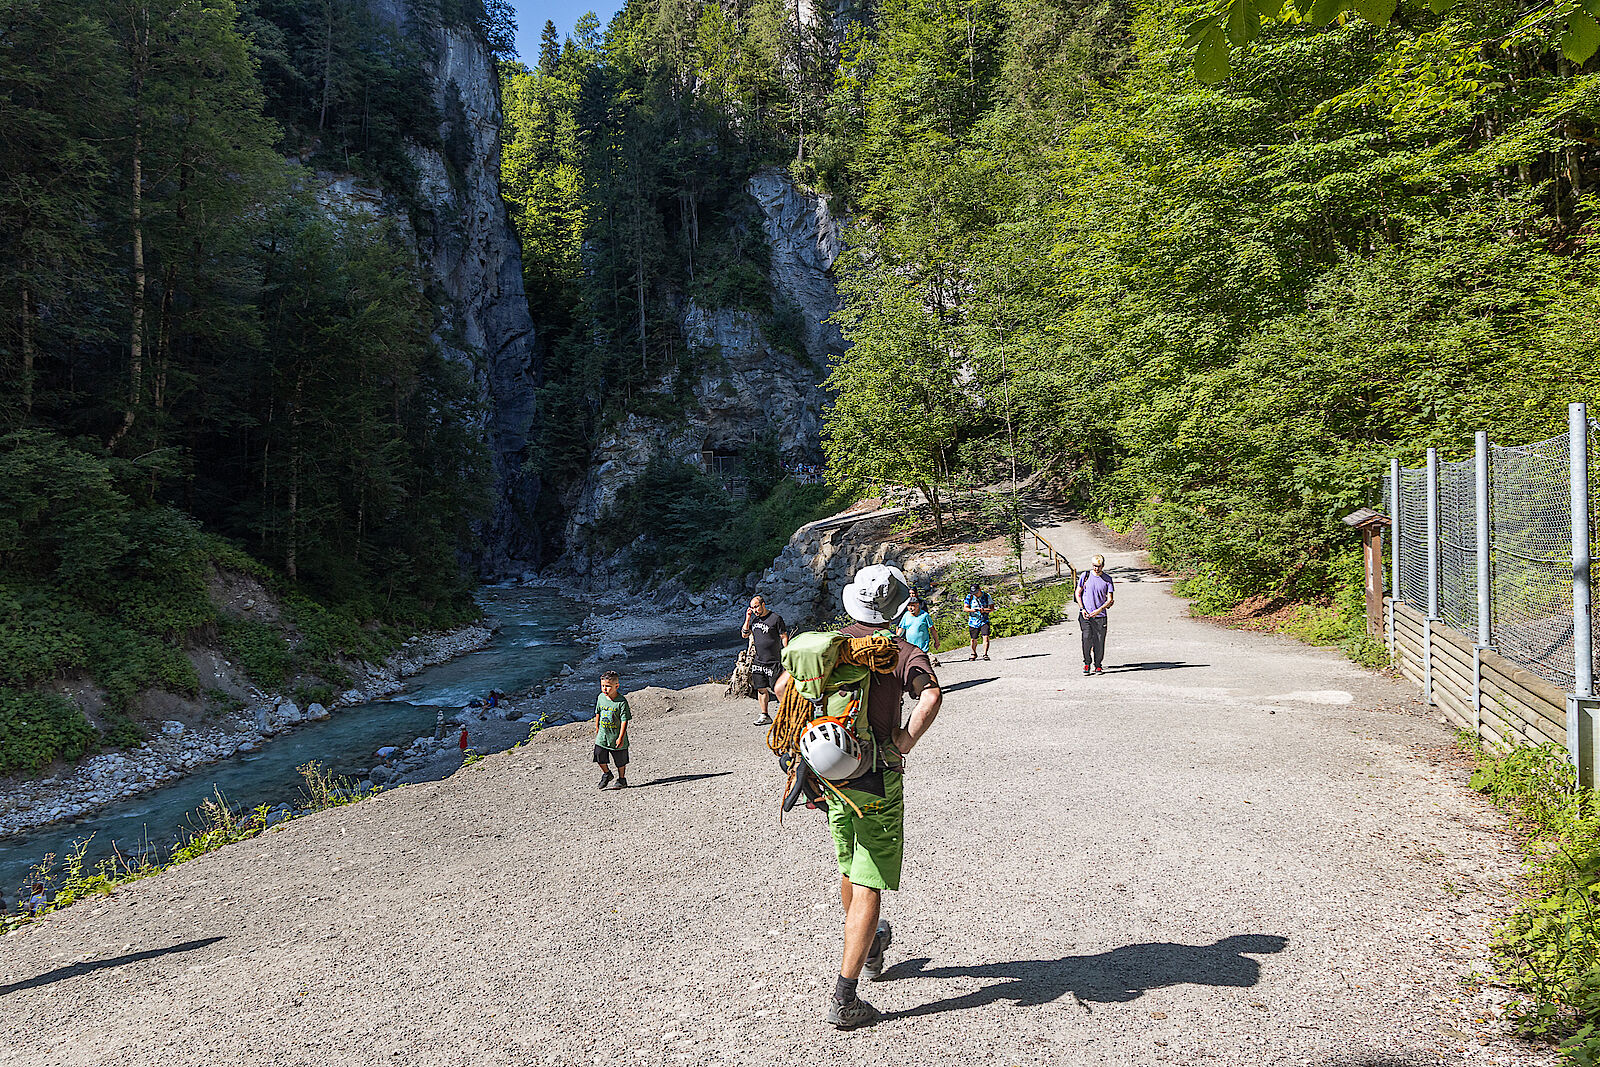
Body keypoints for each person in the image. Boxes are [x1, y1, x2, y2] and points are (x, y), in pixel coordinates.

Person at [776, 564, 943, 1030]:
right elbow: (930, 697)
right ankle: (845, 999)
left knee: (850, 865)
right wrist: (904, 742)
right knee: (869, 880)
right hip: (877, 778)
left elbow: (782, 687)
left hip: (831, 776)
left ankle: (870, 945)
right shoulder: (902, 652)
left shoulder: (829, 647)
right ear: (893, 610)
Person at [742, 595, 788, 727]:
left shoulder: (775, 618)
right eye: (752, 608)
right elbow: (744, 634)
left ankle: (786, 713)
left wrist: (787, 652)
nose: (755, 610)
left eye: (756, 606)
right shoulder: (754, 620)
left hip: (773, 661)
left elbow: (783, 636)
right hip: (759, 661)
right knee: (761, 688)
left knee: (778, 689)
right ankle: (764, 714)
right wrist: (748, 618)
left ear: (763, 604)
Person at [1076, 553, 1115, 675]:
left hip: (1100, 616)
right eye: (1094, 566)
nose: (1096, 568)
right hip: (1086, 615)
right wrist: (1082, 608)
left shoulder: (1108, 579)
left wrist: (1099, 610)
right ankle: (1087, 663)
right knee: (1086, 638)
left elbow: (1110, 600)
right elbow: (1078, 593)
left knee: (1099, 641)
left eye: (1098, 566)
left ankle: (1098, 664)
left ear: (1103, 566)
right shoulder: (1085, 576)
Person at [593, 669, 631, 790]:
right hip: (603, 735)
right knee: (598, 755)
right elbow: (598, 711)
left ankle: (621, 779)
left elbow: (625, 720)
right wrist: (597, 725)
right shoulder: (601, 697)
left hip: (616, 736)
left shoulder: (621, 702)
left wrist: (620, 737)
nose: (605, 689)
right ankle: (607, 774)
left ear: (617, 686)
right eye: (603, 686)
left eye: (608, 686)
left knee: (620, 760)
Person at [896, 593, 938, 664]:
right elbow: (902, 629)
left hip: (922, 647)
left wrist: (936, 641)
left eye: (912, 605)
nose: (910, 608)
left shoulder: (924, 615)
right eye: (908, 606)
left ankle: (931, 660)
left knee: (922, 662)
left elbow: (932, 629)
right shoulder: (906, 615)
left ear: (918, 605)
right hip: (911, 647)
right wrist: (896, 639)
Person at [963, 582, 993, 661]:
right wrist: (972, 610)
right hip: (973, 621)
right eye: (973, 593)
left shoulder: (986, 596)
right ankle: (973, 653)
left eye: (976, 592)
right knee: (973, 639)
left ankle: (985, 654)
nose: (975, 594)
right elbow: (965, 608)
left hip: (984, 620)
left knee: (985, 636)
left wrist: (984, 610)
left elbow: (992, 608)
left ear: (980, 590)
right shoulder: (969, 597)